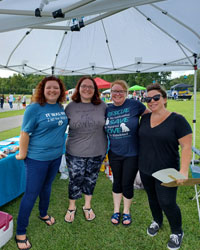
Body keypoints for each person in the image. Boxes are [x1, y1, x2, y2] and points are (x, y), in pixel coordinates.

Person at [15, 76, 68, 250]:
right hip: (37, 159)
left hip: (55, 157)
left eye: (56, 88)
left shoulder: (60, 107)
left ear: (60, 91)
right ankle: (20, 232)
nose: (52, 91)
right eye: (49, 88)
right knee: (31, 193)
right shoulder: (34, 109)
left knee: (47, 188)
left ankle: (43, 214)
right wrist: (22, 154)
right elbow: (25, 133)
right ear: (42, 90)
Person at [138, 83, 192, 250]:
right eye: (148, 99)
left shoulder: (177, 120)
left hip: (167, 170)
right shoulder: (145, 118)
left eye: (156, 97)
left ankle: (177, 231)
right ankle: (157, 221)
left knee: (167, 202)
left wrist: (183, 171)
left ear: (165, 99)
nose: (152, 101)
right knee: (152, 199)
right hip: (146, 168)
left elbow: (186, 147)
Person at [104, 80, 149, 226]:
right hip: (114, 153)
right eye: (114, 91)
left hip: (132, 153)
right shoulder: (106, 108)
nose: (117, 94)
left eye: (121, 91)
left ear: (126, 93)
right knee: (117, 182)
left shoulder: (135, 105)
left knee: (127, 183)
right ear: (110, 93)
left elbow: (151, 116)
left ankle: (127, 212)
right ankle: (116, 210)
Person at [64, 76, 107, 223]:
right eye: (84, 86)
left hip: (97, 150)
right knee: (75, 180)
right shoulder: (70, 107)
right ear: (78, 88)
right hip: (75, 151)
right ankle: (72, 207)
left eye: (90, 86)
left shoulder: (103, 106)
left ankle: (87, 206)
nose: (87, 89)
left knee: (91, 179)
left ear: (95, 90)